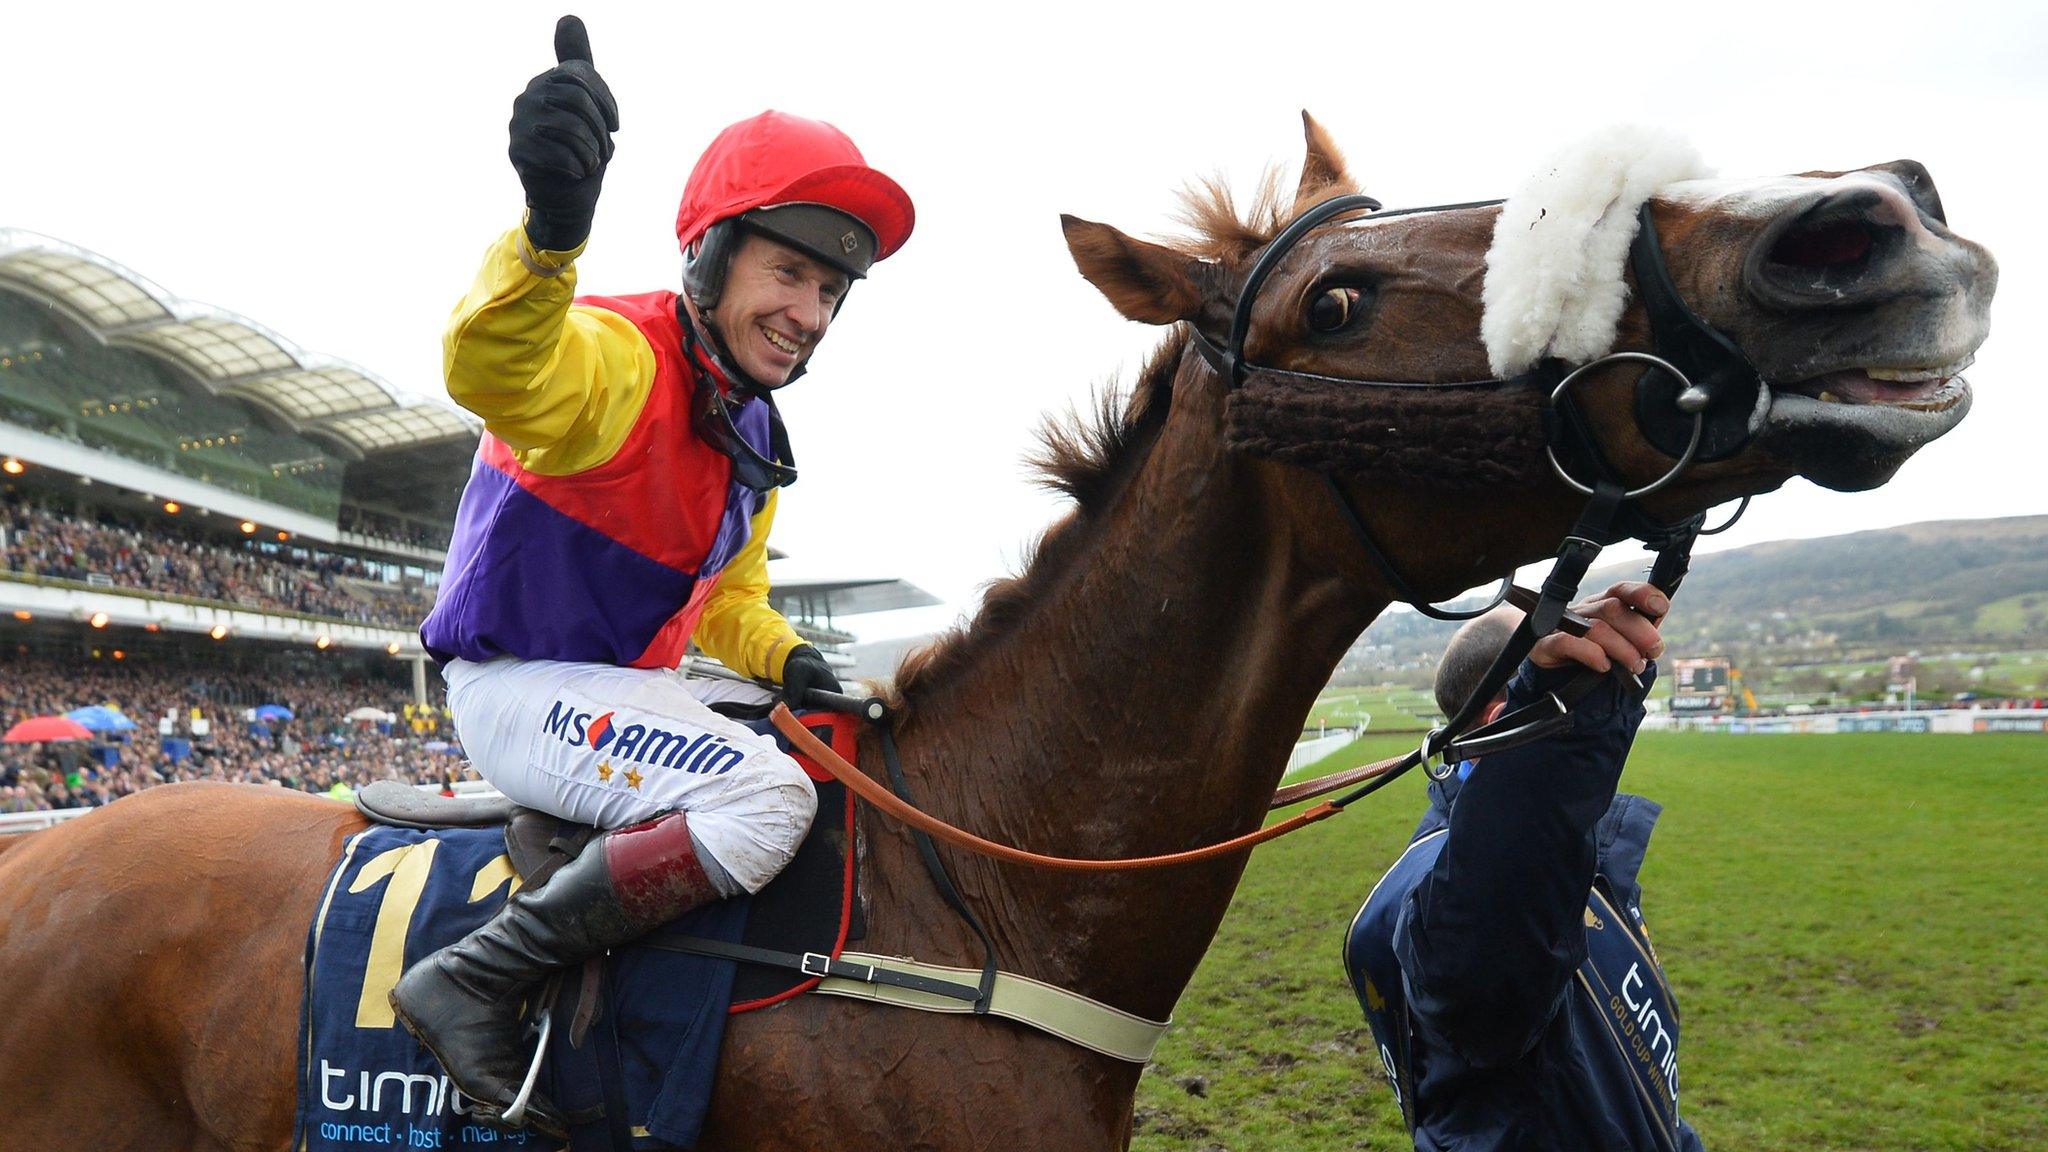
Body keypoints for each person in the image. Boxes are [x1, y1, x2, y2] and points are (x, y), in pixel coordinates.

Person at [389, 16, 914, 1134]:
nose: (809, 316)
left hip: (630, 688)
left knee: (820, 749)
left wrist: (797, 660)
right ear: (714, 258)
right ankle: (471, 978)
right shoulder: (619, 359)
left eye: (831, 293)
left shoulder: (753, 433)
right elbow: (492, 365)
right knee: (762, 794)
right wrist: (550, 230)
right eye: (788, 273)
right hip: (519, 686)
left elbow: (728, 606)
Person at [1346, 581, 1706, 1151]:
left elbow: (1632, 1091)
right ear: (1499, 719)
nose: (1592, 698)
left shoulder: (1566, 851)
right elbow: (1496, 938)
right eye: (1571, 690)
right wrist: (1553, 746)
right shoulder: (1462, 892)